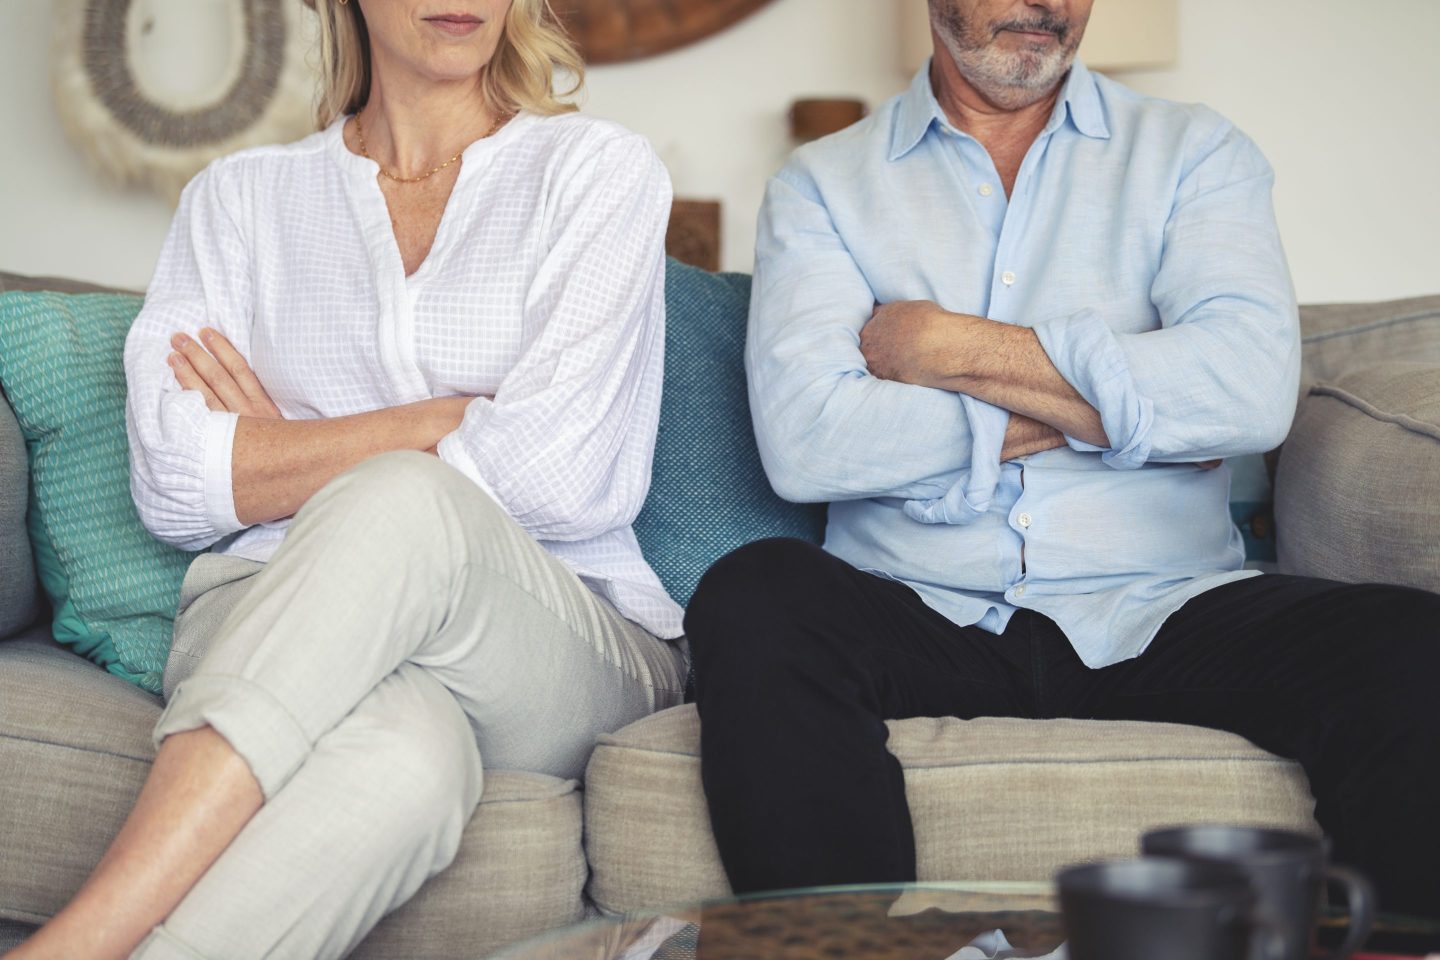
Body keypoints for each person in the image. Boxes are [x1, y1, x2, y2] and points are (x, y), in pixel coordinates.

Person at [685, 0, 1440, 917]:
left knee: (1414, 645)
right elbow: (810, 444)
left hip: (1164, 605)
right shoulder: (824, 184)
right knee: (756, 594)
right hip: (920, 606)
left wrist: (947, 347)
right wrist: (1128, 403)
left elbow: (1246, 395)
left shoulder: (1196, 153)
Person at [8, 1, 686, 957]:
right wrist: (440, 419)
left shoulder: (595, 173)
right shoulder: (238, 198)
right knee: (406, 763)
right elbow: (173, 483)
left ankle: (78, 943)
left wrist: (290, 454)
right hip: (269, 607)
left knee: (402, 500)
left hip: (539, 635)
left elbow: (565, 476)